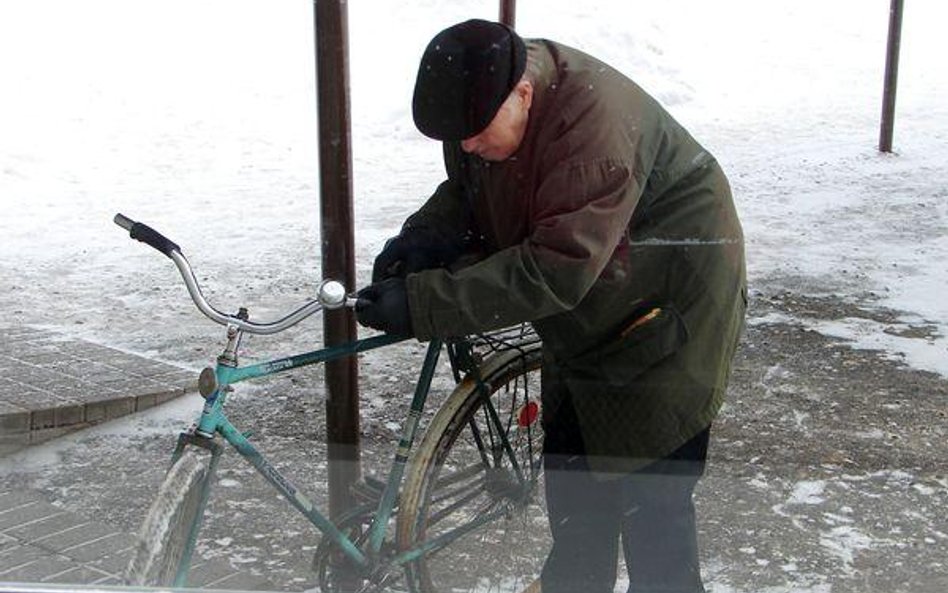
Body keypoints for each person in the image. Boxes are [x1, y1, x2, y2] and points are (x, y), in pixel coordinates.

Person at [356, 19, 746, 593]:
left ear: (523, 92)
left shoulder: (594, 133)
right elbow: (474, 186)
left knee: (652, 505)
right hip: (596, 302)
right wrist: (425, 238)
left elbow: (555, 267)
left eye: (473, 132)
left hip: (672, 301)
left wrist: (422, 302)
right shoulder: (488, 107)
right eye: (455, 137)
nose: (464, 146)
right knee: (577, 490)